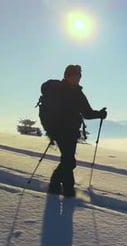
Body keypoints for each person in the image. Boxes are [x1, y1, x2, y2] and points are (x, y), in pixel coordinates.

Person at [47, 64, 107, 197]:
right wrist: (53, 130)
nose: (78, 78)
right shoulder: (60, 91)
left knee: (67, 161)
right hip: (60, 131)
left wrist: (99, 114)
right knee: (69, 161)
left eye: (79, 76)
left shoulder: (78, 92)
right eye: (75, 76)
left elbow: (86, 112)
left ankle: (59, 187)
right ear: (67, 76)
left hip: (72, 131)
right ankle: (64, 189)